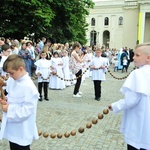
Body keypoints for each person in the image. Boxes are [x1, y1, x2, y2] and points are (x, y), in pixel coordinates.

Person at [108, 43, 150, 150]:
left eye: (137, 55)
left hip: (139, 125)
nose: (133, 57)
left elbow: (131, 100)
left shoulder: (138, 74)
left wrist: (115, 106)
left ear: (148, 58)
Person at [0, 54, 39, 150]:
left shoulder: (29, 87)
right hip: (13, 127)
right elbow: (12, 96)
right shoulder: (13, 80)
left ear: (21, 69)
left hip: (22, 129)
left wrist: (9, 109)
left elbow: (26, 111)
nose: (10, 76)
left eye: (12, 73)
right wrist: (6, 101)